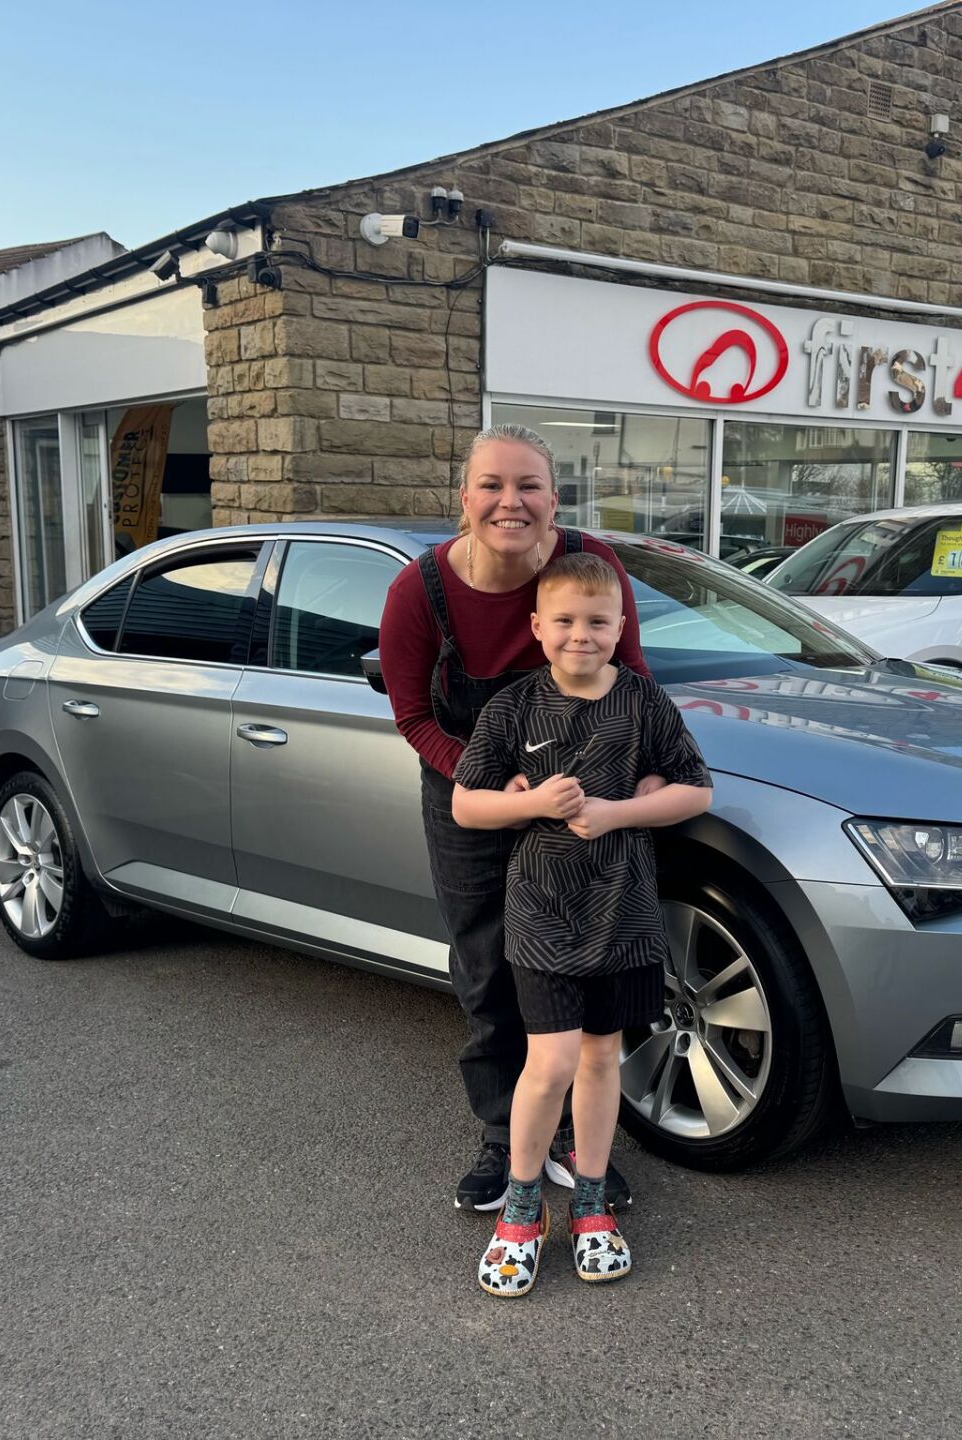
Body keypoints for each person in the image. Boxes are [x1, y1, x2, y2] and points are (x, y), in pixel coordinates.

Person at [378, 424, 660, 1212]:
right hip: (470, 795)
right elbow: (413, 718)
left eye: (529, 485)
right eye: (493, 486)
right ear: (464, 500)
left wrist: (630, 789)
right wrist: (494, 786)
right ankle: (504, 1138)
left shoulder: (591, 569)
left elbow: (630, 676)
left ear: (554, 498)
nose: (512, 501)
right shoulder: (419, 592)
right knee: (489, 964)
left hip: (575, 797)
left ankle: (579, 1144)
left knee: (582, 960)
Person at [452, 553, 711, 1293]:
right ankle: (523, 1209)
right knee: (551, 1063)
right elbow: (469, 804)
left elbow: (695, 791)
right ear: (537, 628)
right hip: (542, 915)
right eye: (564, 621)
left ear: (621, 627)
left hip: (624, 914)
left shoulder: (643, 702)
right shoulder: (513, 708)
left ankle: (591, 1203)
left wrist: (620, 810)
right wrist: (532, 803)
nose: (580, 636)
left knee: (603, 1060)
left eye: (598, 622)